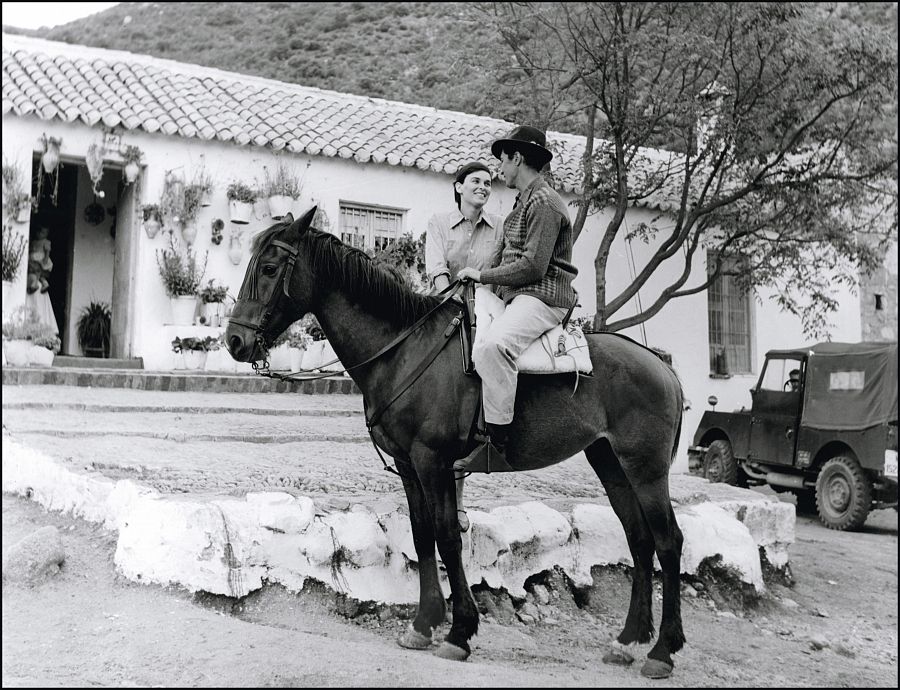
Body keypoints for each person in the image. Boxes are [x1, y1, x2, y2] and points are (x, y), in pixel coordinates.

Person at [457, 125, 578, 452]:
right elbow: (505, 256)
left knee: (492, 347)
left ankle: (499, 439)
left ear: (518, 158)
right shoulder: (523, 201)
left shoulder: (544, 202)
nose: (500, 168)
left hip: (543, 297)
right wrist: (478, 281)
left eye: (503, 160)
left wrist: (482, 276)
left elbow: (533, 266)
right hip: (517, 296)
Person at [425, 161, 503, 533]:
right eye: (475, 181)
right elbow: (437, 269)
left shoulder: (499, 227)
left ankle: (458, 499)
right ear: (458, 187)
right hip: (445, 308)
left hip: (486, 313)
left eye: (488, 183)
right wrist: (452, 302)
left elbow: (503, 272)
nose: (483, 187)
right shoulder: (439, 223)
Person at [25, 225, 59, 336]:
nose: (41, 235)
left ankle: (43, 282)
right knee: (36, 275)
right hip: (34, 267)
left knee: (38, 275)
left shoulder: (45, 244)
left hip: (40, 263)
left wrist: (44, 262)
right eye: (40, 232)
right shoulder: (34, 244)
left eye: (44, 233)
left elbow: (46, 255)